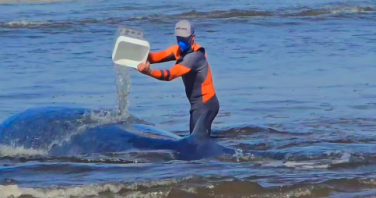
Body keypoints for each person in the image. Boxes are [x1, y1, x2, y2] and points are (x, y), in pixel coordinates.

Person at [137, 19, 219, 136]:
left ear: (192, 38)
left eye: (184, 39)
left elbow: (170, 75)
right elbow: (154, 57)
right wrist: (135, 53)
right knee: (198, 139)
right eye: (179, 39)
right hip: (197, 104)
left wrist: (148, 72)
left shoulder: (195, 57)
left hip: (205, 105)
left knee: (196, 141)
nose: (181, 42)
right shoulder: (179, 51)